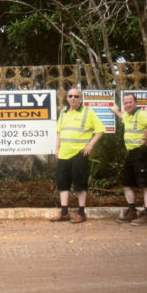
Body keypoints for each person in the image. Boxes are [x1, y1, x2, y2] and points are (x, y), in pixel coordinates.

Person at [50, 88, 105, 223]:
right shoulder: (63, 113)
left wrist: (90, 145)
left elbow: (100, 130)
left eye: (76, 96)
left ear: (80, 99)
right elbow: (59, 133)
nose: (73, 98)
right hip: (64, 154)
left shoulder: (88, 112)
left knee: (80, 184)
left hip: (79, 154)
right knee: (63, 184)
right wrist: (56, 149)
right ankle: (64, 213)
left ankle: (81, 213)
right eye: (70, 96)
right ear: (67, 98)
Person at [110, 92, 147, 226]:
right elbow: (122, 116)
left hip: (142, 153)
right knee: (126, 183)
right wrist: (116, 111)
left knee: (145, 184)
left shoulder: (141, 114)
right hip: (131, 154)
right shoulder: (127, 115)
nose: (128, 105)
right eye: (125, 103)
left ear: (135, 103)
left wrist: (144, 137)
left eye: (130, 102)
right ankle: (132, 210)